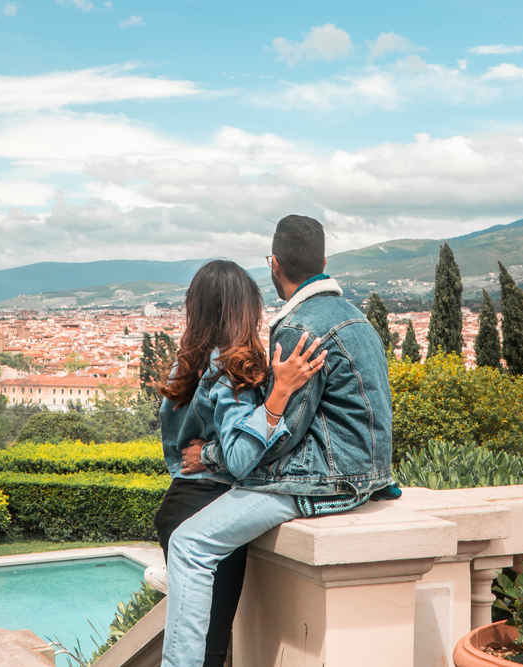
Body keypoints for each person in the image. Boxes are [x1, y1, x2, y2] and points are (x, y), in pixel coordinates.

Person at [162, 214, 397, 667]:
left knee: (190, 545)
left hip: (322, 479)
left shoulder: (298, 328)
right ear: (324, 262)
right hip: (369, 475)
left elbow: (275, 441)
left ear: (274, 265)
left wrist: (208, 454)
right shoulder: (356, 318)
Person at [150, 258, 327, 667]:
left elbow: (178, 449)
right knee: (210, 650)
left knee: (195, 635)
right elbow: (241, 458)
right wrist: (278, 394)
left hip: (179, 502)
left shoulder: (188, 363)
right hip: (209, 505)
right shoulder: (230, 371)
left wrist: (202, 458)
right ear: (242, 310)